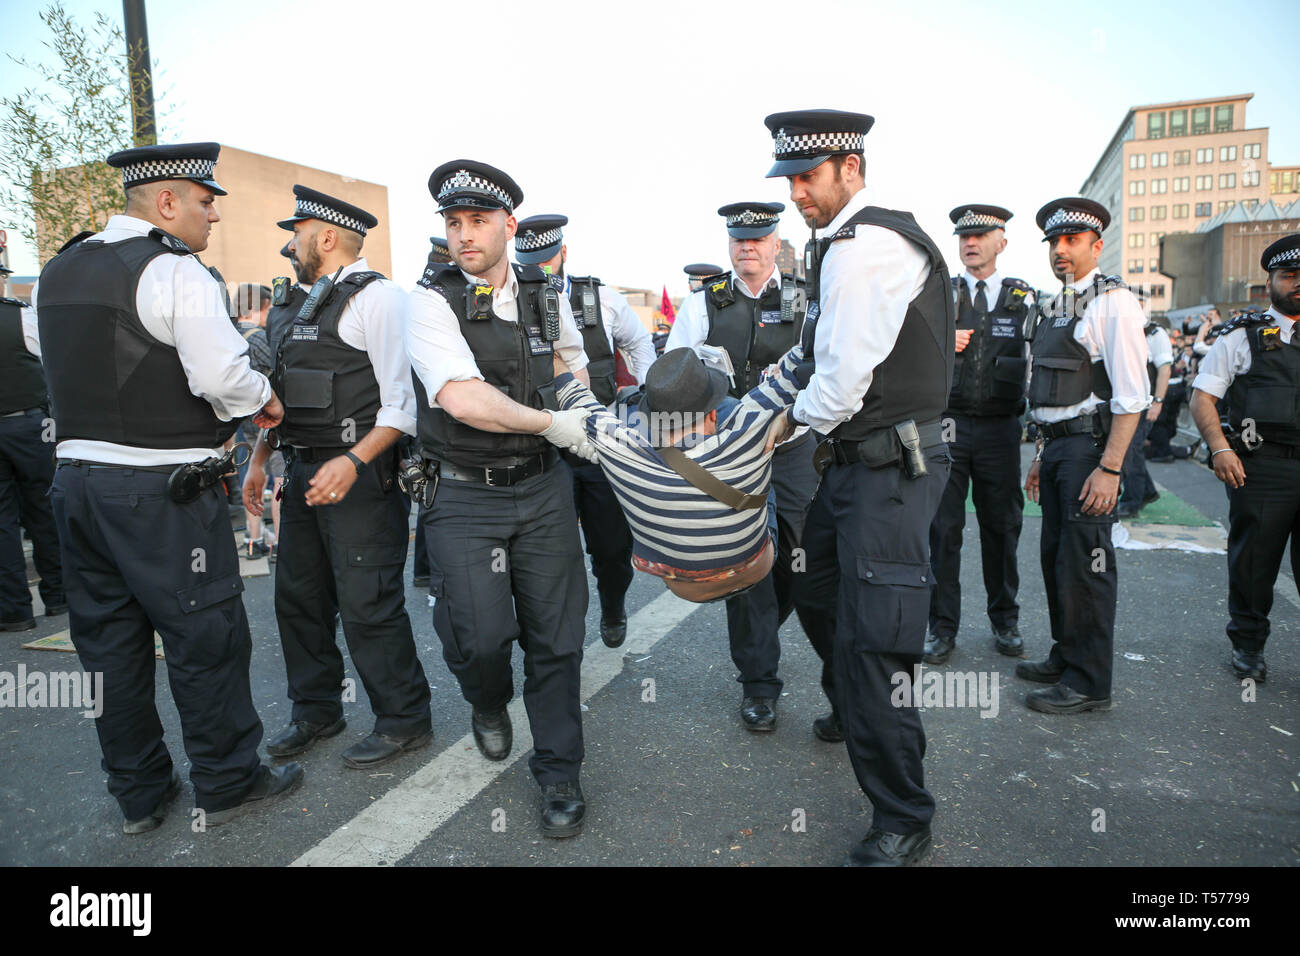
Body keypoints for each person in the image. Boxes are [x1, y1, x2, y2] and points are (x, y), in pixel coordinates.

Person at [35, 142, 302, 832]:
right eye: (205, 201)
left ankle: (139, 795)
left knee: (108, 649)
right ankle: (228, 778)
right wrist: (260, 395)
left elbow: (53, 358)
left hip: (76, 487)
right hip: (160, 492)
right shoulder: (175, 271)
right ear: (166, 201)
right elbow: (219, 377)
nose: (213, 215)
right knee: (203, 634)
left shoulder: (56, 271)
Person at [761, 110, 955, 865]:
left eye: (807, 177)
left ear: (849, 165)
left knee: (876, 641)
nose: (797, 193)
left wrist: (779, 428)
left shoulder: (866, 244)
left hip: (888, 470)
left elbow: (839, 383)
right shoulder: (834, 245)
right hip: (850, 468)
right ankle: (855, 709)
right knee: (816, 594)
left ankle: (904, 813)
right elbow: (814, 359)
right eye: (791, 180)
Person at [406, 160, 595, 838]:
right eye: (453, 223)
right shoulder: (430, 300)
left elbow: (568, 360)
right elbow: (460, 397)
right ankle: (488, 702)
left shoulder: (546, 292)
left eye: (477, 221)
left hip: (542, 488)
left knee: (557, 638)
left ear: (508, 225)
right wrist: (554, 424)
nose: (463, 236)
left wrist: (585, 411)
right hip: (463, 494)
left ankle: (558, 771)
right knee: (480, 638)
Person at [243, 185, 432, 770]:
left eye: (294, 232)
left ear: (325, 237)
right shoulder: (301, 304)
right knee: (299, 599)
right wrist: (258, 458)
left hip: (362, 476)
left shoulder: (380, 300)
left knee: (366, 602)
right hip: (302, 471)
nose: (287, 244)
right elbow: (285, 395)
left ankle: (404, 719)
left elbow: (403, 407)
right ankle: (316, 710)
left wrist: (352, 463)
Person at [665, 201, 819, 731]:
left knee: (802, 558)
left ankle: (768, 633)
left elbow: (831, 365)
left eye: (757, 240)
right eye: (738, 240)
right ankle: (758, 682)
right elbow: (675, 372)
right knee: (747, 562)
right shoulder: (706, 303)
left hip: (796, 446)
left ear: (777, 244)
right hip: (734, 452)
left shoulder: (806, 297)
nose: (746, 248)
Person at [1021, 197, 1150, 714]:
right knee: (1057, 558)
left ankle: (1089, 681)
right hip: (1057, 449)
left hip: (1089, 451)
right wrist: (1037, 456)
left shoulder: (1113, 301)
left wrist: (1111, 467)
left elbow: (1131, 394)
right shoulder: (1057, 305)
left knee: (1086, 565)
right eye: (1054, 242)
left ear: (1097, 246)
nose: (1060, 250)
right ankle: (1066, 655)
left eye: (1071, 241)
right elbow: (1048, 396)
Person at [552, 346, 804, 604]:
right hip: (756, 565)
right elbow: (794, 373)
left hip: (688, 587)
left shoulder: (620, 449)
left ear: (651, 418)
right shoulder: (752, 426)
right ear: (713, 413)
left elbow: (574, 396)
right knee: (761, 460)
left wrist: (555, 355)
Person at [516, 213, 656, 648]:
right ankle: (562, 641)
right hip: (541, 441)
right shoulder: (508, 298)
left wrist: (646, 394)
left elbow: (638, 342)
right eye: (529, 260)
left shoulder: (603, 299)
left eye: (546, 260)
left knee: (612, 547)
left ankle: (613, 604)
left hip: (598, 442)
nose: (539, 270)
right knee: (554, 554)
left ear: (562, 254)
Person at [1188, 233, 1300, 683]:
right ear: (1269, 281)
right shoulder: (1243, 337)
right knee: (1255, 564)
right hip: (1263, 467)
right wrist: (1219, 448)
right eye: (1289, 275)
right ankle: (1249, 647)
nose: (1298, 284)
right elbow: (1202, 399)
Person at [925, 204, 1033, 665]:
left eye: (981, 236)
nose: (970, 243)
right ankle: (942, 627)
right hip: (946, 426)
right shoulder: (936, 295)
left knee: (1001, 528)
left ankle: (1004, 620)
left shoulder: (1024, 299)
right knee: (943, 530)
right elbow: (901, 345)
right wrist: (939, 342)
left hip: (1001, 429)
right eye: (964, 236)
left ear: (1001, 243)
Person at [0, 263, 65, 630]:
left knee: (2, 524)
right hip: (30, 424)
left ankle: (14, 612)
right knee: (43, 509)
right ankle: (57, 596)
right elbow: (51, 364)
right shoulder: (22, 318)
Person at [411, 236, 454, 591]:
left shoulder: (422, 296)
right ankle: (432, 574)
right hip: (437, 421)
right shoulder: (435, 300)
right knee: (435, 497)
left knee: (429, 496)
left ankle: (426, 572)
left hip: (426, 423)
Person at [232, 282, 276, 557]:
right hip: (267, 414)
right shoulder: (258, 337)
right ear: (258, 307)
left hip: (240, 417)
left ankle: (254, 539)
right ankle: (282, 542)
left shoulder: (228, 333)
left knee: (250, 475)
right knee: (281, 478)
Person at [1117, 317, 1172, 516]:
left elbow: (1164, 370)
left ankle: (1132, 501)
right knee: (1130, 449)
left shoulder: (1155, 333)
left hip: (1145, 402)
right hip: (1125, 402)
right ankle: (1146, 491)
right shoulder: (1122, 328)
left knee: (1131, 449)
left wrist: (1158, 402)